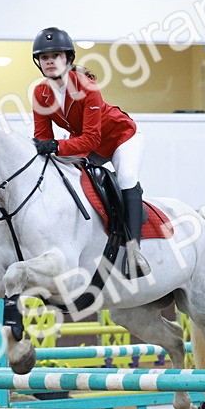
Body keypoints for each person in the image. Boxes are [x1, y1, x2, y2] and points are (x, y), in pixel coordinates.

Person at [30, 26, 149, 277]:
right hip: (84, 143)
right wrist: (45, 149)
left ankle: (134, 249)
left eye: (56, 55)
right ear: (39, 63)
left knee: (126, 176)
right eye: (44, 57)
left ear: (68, 59)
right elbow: (44, 138)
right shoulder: (40, 94)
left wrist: (57, 147)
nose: (49, 60)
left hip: (120, 138)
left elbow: (92, 139)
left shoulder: (87, 88)